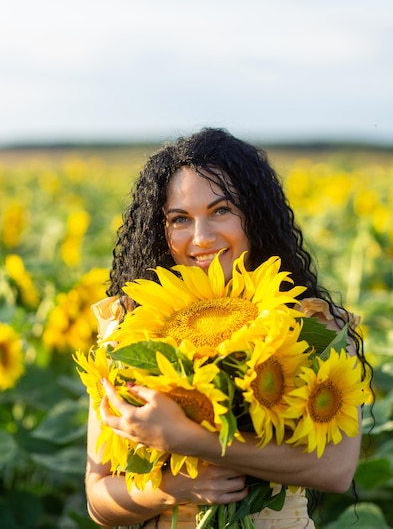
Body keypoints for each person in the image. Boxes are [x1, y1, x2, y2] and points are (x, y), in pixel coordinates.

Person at [85, 127, 371, 529]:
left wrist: (189, 441)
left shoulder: (312, 325)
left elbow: (335, 471)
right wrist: (173, 488)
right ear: (160, 229)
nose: (201, 238)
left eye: (221, 210)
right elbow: (98, 499)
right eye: (180, 219)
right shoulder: (132, 329)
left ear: (255, 214)